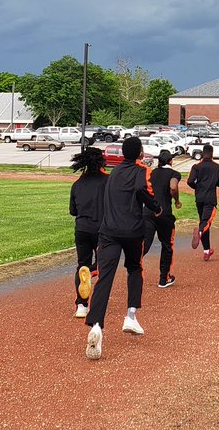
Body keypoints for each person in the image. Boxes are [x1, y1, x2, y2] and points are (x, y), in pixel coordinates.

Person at [82, 137, 163, 360]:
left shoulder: (114, 172)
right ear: (139, 152)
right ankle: (130, 315)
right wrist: (156, 208)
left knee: (105, 277)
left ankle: (96, 326)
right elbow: (145, 191)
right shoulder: (142, 170)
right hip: (133, 231)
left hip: (108, 231)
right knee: (135, 269)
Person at [69, 147, 107, 319]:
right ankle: (98, 302)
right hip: (103, 230)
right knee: (104, 266)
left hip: (82, 229)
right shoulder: (108, 181)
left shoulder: (77, 184)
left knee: (82, 266)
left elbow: (73, 211)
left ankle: (82, 304)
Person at [143, 150, 182, 288]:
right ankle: (163, 278)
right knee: (167, 245)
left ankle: (134, 268)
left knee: (144, 244)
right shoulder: (174, 174)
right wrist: (176, 200)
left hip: (148, 211)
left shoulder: (151, 173)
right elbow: (173, 187)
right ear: (170, 161)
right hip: (164, 214)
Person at [186, 143, 219, 261]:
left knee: (204, 222)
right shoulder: (217, 167)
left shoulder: (196, 166)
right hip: (210, 199)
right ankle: (199, 231)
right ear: (212, 154)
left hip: (199, 198)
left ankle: (206, 251)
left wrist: (197, 187)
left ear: (203, 153)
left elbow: (190, 181)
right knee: (205, 222)